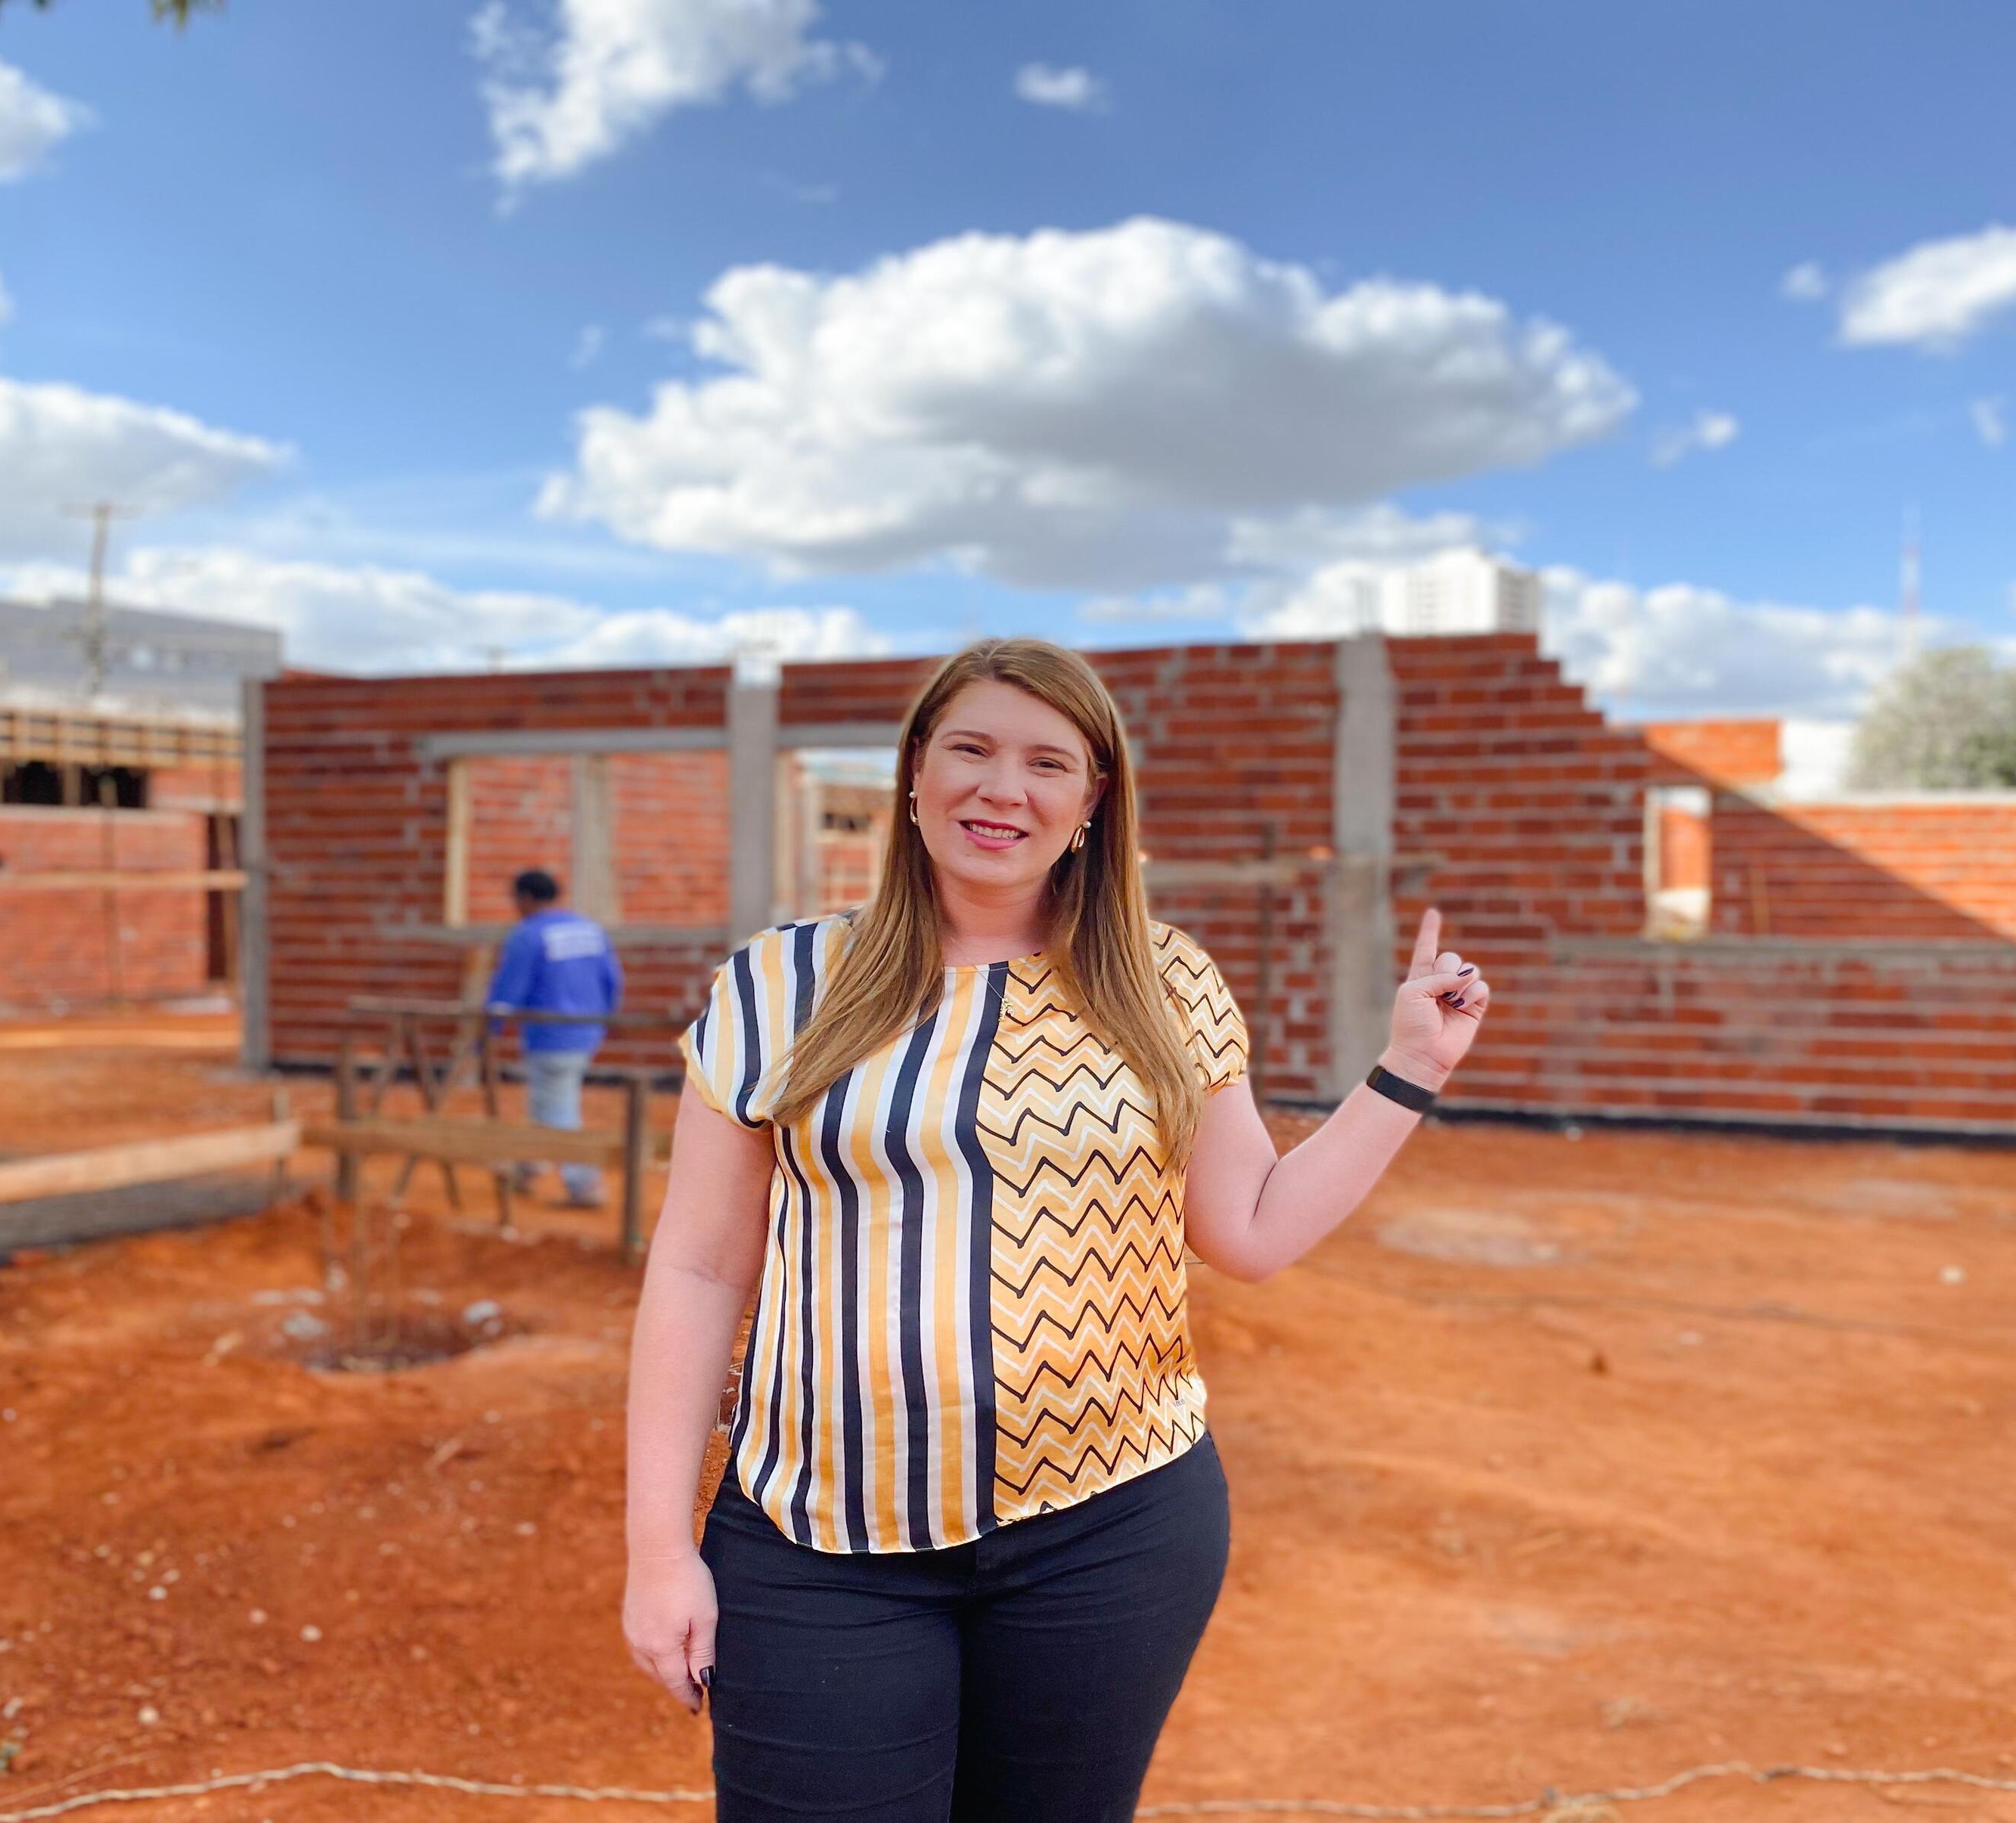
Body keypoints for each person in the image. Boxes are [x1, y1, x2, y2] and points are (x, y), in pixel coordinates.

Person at [620, 638, 1491, 1822]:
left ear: (1090, 801)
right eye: (970, 749)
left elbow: (1246, 1229)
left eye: (1047, 762)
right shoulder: (778, 985)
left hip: (1109, 1531)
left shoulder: (1161, 982)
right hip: (816, 1533)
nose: (1002, 788)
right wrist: (657, 1547)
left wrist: (1405, 1070)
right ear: (914, 773)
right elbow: (696, 1263)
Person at [484, 867, 622, 1208]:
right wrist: (603, 1020)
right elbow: (612, 980)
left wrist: (490, 1027)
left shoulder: (528, 934)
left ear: (526, 898)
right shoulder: (588, 929)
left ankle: (584, 1184)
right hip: (587, 1030)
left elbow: (509, 988)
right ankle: (529, 1164)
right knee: (547, 1098)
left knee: (558, 1107)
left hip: (550, 1034)